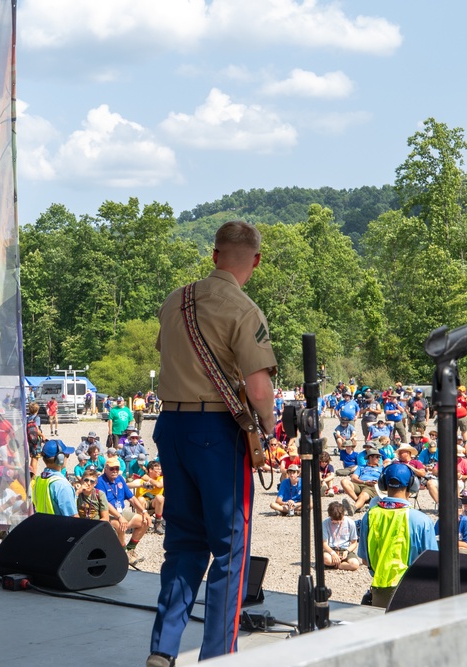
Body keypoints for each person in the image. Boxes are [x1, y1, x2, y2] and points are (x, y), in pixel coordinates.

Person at [148, 220, 277, 666]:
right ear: (255, 261)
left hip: (171, 426)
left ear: (214, 254)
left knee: (183, 542)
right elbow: (258, 389)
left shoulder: (175, 300)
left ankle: (163, 649)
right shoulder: (244, 310)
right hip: (217, 433)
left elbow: (166, 353)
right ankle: (219, 657)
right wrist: (269, 425)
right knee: (229, 548)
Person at [358, 463, 438, 608]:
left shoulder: (369, 516)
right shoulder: (422, 520)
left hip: (380, 591)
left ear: (383, 483)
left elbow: (364, 560)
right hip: (415, 591)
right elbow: (433, 564)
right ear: (413, 485)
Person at [97, 456, 151, 564]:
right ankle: (124, 553)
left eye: (117, 468)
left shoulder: (120, 479)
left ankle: (130, 549)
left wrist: (144, 512)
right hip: (108, 514)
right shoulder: (100, 481)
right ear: (105, 469)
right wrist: (120, 517)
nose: (115, 471)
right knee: (119, 525)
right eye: (112, 469)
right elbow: (105, 504)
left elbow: (131, 498)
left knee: (145, 521)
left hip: (120, 511)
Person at [32, 440, 79, 516]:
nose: (67, 458)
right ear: (60, 458)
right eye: (67, 455)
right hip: (59, 527)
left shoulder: (38, 480)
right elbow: (73, 518)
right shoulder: (63, 486)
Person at [341, 447, 383, 515]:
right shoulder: (361, 467)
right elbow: (354, 478)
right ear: (370, 457)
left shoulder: (382, 468)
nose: (379, 459)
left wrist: (378, 483)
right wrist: (365, 482)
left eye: (379, 457)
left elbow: (385, 479)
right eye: (377, 457)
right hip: (361, 483)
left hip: (372, 486)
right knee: (344, 481)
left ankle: (354, 508)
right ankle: (359, 503)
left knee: (363, 494)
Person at [322, 501, 361, 571]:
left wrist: (347, 551)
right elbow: (324, 543)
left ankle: (337, 565)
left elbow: (354, 542)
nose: (338, 522)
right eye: (335, 521)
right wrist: (332, 553)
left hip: (345, 549)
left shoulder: (350, 523)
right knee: (326, 559)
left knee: (355, 564)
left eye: (340, 520)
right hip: (330, 549)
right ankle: (342, 564)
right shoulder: (325, 523)